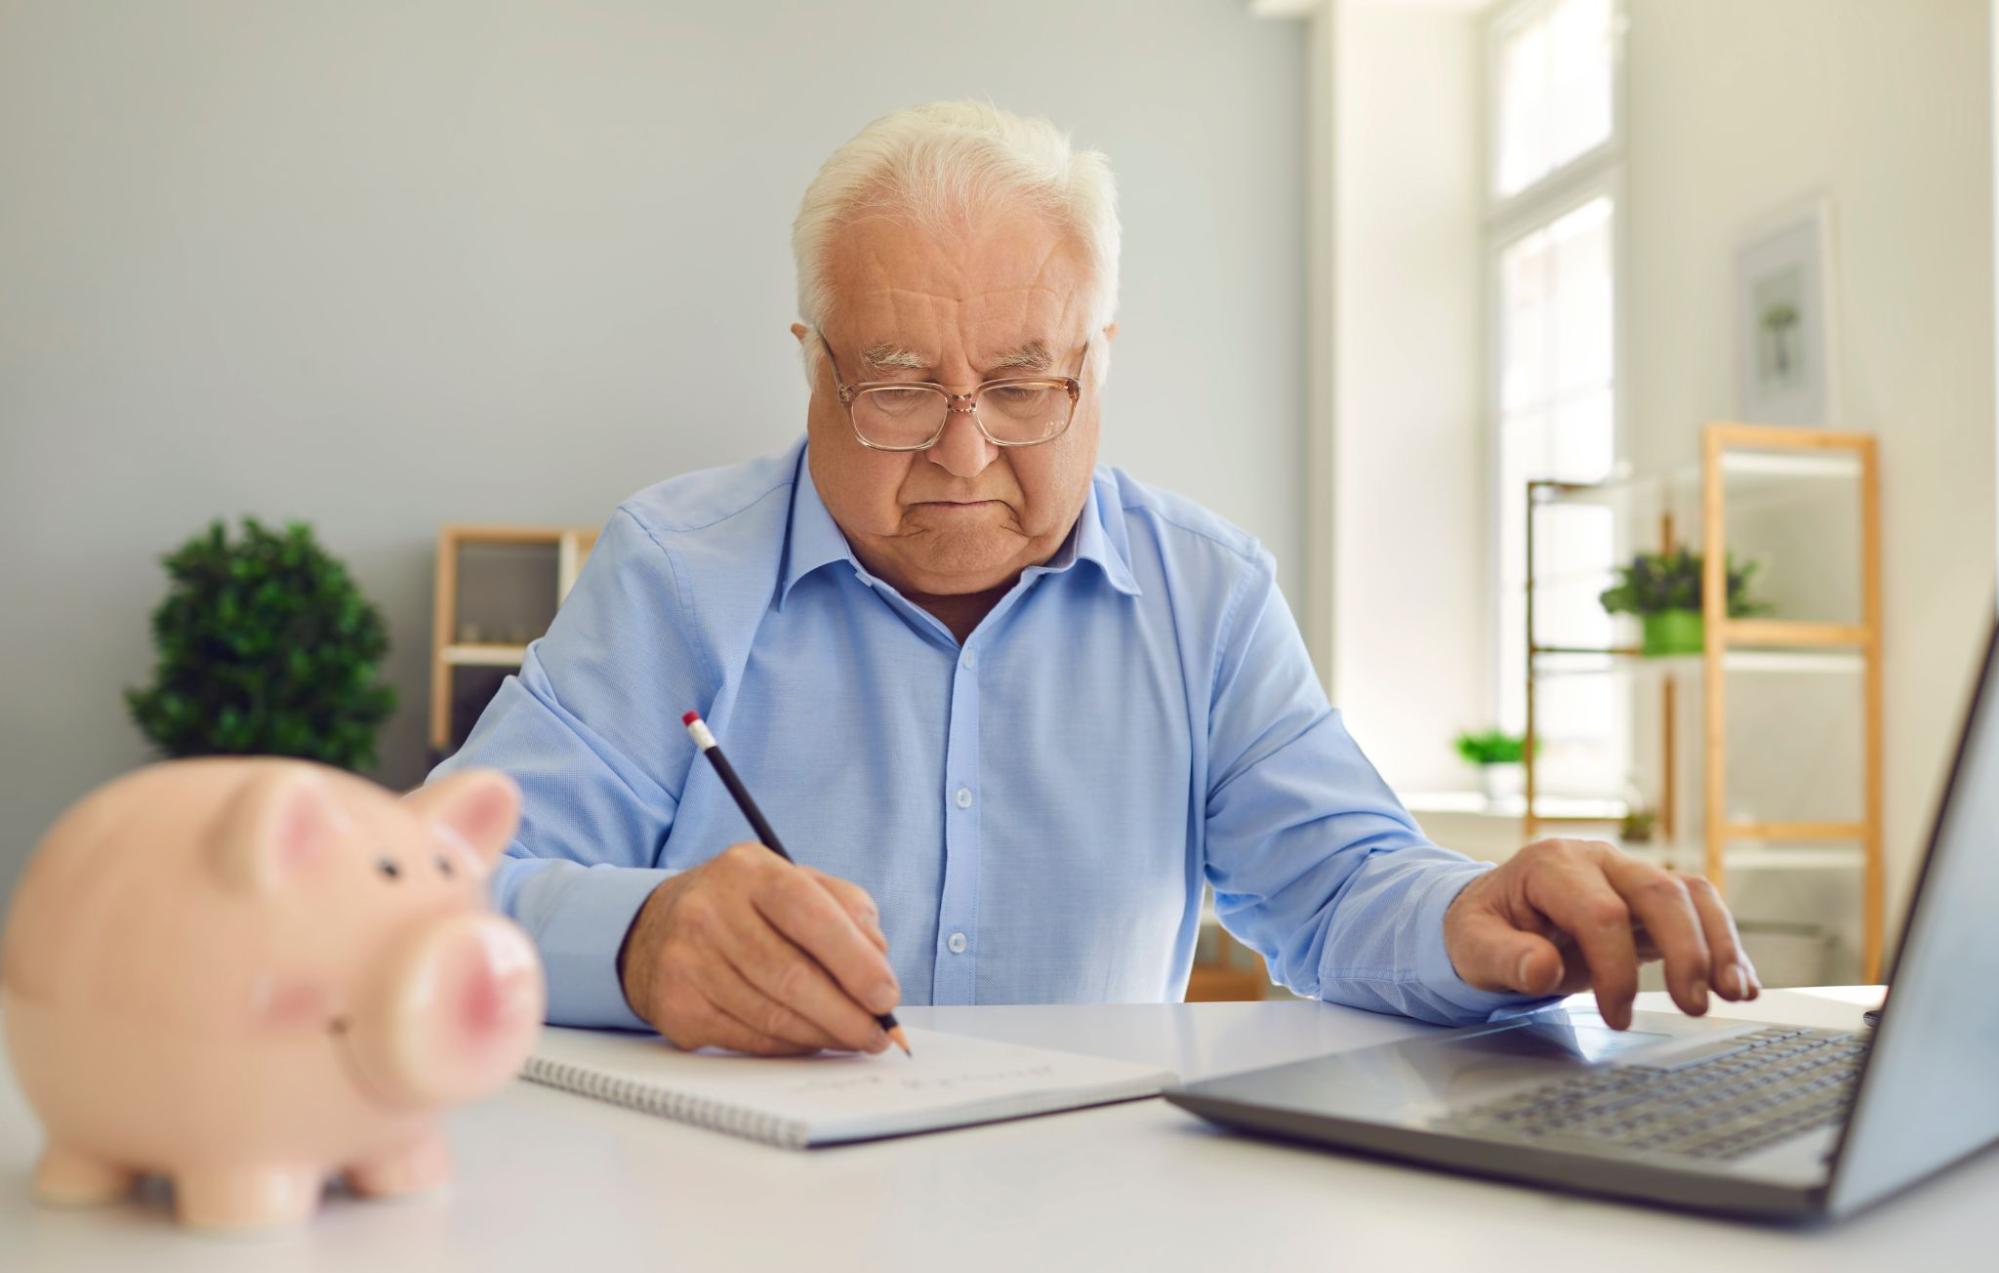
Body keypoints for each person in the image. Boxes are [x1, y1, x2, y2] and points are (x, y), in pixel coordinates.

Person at [428, 102, 1758, 1057]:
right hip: (719, 1226)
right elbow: (427, 886)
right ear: (810, 362)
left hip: (1096, 1231)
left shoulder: (1209, 594)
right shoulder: (673, 570)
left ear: (1098, 363)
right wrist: (638, 938)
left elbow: (1344, 884)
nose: (963, 448)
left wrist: (1475, 915)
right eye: (898, 384)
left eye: (1021, 385)